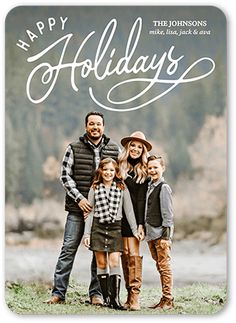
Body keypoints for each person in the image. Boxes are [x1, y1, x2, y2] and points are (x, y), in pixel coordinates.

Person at [45, 111, 120, 305]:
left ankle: (96, 294)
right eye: (92, 124)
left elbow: (121, 176)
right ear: (86, 126)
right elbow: (65, 176)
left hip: (103, 213)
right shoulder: (74, 148)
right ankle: (58, 293)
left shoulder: (114, 149)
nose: (95, 127)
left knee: (99, 253)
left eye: (99, 124)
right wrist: (80, 199)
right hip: (77, 210)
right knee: (68, 249)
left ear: (104, 127)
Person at [83, 158, 139, 310]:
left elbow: (129, 211)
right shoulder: (94, 188)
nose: (108, 173)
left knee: (114, 261)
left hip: (115, 228)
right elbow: (90, 212)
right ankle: (106, 298)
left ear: (116, 172)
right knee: (101, 264)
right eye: (105, 169)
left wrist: (134, 230)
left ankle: (115, 300)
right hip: (98, 228)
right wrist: (86, 234)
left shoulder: (122, 187)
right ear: (100, 171)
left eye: (111, 170)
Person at [118, 131, 152, 310]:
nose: (136, 149)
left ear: (143, 150)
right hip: (118, 217)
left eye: (140, 147)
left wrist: (140, 224)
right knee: (124, 254)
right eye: (133, 145)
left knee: (133, 255)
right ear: (127, 147)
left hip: (135, 219)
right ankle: (128, 296)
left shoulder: (144, 171)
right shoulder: (119, 167)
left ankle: (135, 296)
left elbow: (141, 200)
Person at [145, 155, 174, 310]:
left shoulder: (163, 188)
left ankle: (168, 299)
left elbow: (168, 215)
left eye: (155, 167)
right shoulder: (150, 186)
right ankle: (164, 298)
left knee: (164, 266)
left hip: (160, 235)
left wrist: (166, 237)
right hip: (151, 234)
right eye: (150, 168)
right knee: (160, 266)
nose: (152, 170)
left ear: (163, 168)